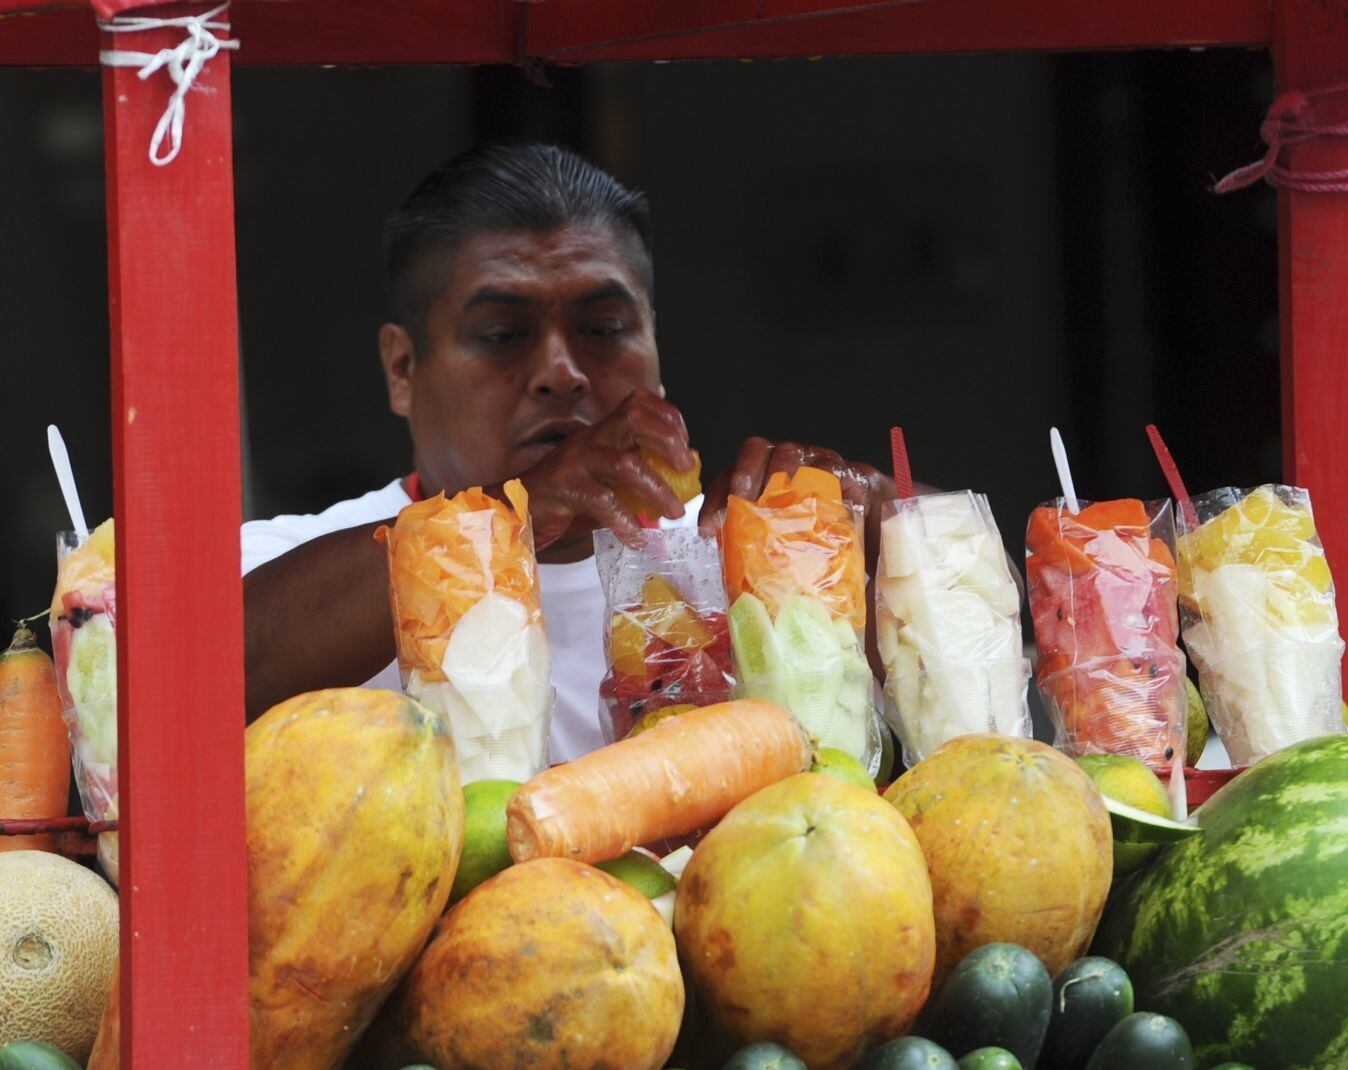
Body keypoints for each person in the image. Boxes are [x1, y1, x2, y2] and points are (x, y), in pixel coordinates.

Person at [242, 142, 896, 762]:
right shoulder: (286, 567)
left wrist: (893, 541)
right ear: (402, 368)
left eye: (604, 330)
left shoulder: (756, 556)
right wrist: (512, 515)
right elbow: (207, 668)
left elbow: (981, 663)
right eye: (502, 334)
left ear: (655, 346)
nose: (560, 370)